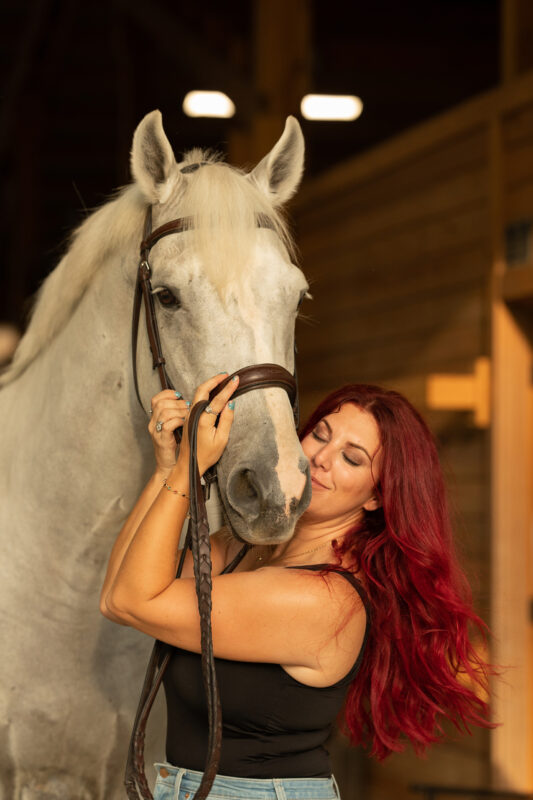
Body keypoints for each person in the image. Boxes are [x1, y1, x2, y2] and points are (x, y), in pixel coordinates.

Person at [100, 373, 494, 800]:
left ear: (376, 497)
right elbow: (119, 589)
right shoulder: (247, 545)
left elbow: (131, 600)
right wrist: (167, 468)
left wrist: (187, 469)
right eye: (320, 435)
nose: (321, 458)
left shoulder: (324, 597)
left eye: (352, 458)